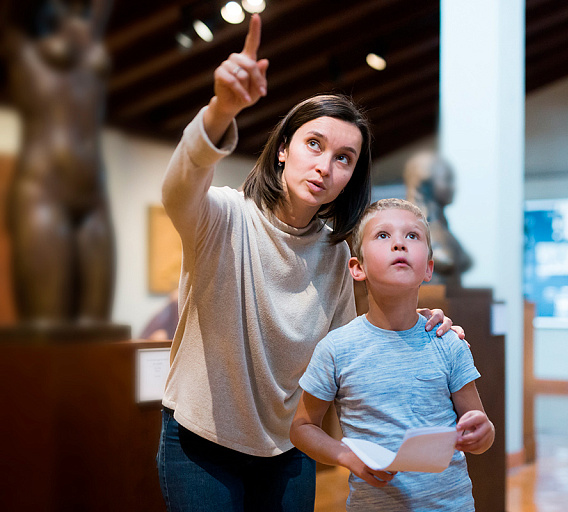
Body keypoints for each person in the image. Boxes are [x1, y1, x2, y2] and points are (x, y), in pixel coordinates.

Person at [156, 14, 460, 512]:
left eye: (344, 158)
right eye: (314, 144)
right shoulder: (226, 217)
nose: (325, 166)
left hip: (288, 446)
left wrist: (421, 329)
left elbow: (351, 352)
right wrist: (220, 111)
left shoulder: (336, 251)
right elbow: (177, 189)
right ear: (283, 150)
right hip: (201, 443)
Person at [290, 198, 494, 511]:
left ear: (428, 268)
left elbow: (481, 433)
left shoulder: (448, 342)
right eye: (383, 235)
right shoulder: (336, 348)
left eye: (412, 236)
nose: (399, 243)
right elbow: (302, 427)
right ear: (358, 268)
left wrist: (482, 433)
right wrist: (347, 457)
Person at [2, 0, 116, 325]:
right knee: (46, 327)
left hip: (94, 196)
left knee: (98, 332)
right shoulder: (20, 39)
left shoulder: (86, 29)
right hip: (43, 191)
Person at [403, 151, 472, 288]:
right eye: (447, 180)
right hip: (431, 294)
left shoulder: (441, 227)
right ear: (426, 183)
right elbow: (447, 261)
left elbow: (466, 261)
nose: (454, 187)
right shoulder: (414, 228)